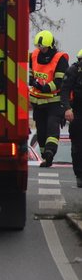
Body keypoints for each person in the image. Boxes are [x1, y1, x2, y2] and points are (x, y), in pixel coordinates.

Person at [29, 30, 69, 168]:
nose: (41, 49)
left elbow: (59, 82)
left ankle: (50, 152)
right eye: (39, 47)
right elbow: (30, 72)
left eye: (43, 47)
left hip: (54, 102)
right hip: (38, 102)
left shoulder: (60, 59)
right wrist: (30, 80)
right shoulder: (34, 55)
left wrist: (43, 87)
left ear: (50, 46)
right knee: (40, 132)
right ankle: (45, 156)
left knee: (52, 128)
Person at [60, 49, 82, 186]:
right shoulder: (73, 71)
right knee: (78, 145)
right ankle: (79, 175)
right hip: (77, 111)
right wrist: (67, 109)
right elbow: (64, 91)